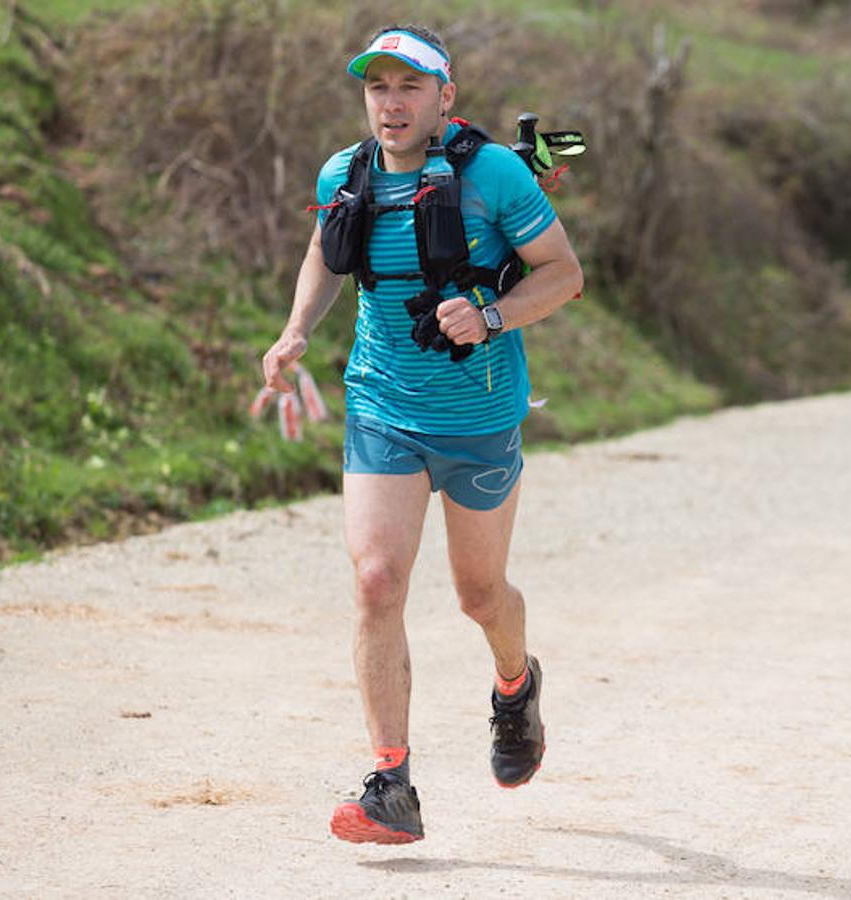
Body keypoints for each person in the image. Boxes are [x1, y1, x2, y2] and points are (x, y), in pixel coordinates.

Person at [259, 23, 583, 844]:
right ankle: (391, 783)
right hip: (381, 411)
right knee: (375, 581)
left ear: (446, 96)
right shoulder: (346, 172)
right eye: (378, 88)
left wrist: (490, 316)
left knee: (480, 596)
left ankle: (515, 688)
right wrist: (296, 329)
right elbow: (326, 259)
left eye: (410, 87)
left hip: (478, 418)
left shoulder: (496, 175)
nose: (391, 103)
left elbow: (564, 274)